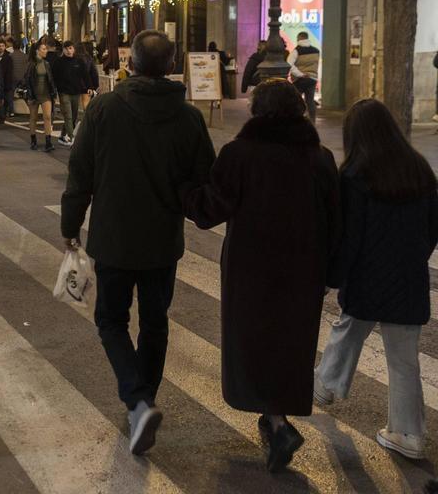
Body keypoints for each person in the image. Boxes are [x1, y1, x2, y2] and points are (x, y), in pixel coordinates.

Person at [61, 30, 215, 456]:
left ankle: (138, 399)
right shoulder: (187, 118)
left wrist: (70, 225)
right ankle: (143, 400)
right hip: (162, 239)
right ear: (170, 66)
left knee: (111, 321)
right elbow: (205, 178)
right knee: (155, 321)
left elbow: (80, 173)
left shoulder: (104, 109)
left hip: (113, 237)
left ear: (130, 63)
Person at [181, 79, 340, 472]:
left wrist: (183, 188)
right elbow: (336, 219)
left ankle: (278, 423)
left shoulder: (240, 154)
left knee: (253, 344)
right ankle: (277, 420)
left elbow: (208, 209)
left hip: (251, 271)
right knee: (291, 346)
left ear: (258, 113)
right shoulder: (319, 157)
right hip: (304, 269)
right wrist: (331, 272)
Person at [314, 98, 438, 461]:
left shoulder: (354, 175)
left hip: (367, 276)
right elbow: (433, 227)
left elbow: (348, 237)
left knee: (349, 327)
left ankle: (325, 384)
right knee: (404, 360)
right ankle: (407, 433)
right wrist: (414, 257)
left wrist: (332, 277)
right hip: (407, 279)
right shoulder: (419, 169)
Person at [24, 40, 58, 152]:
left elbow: (51, 79)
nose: (46, 51)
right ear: (37, 51)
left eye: (46, 49)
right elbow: (27, 81)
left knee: (47, 117)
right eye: (44, 49)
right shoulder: (31, 64)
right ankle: (33, 140)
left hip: (46, 94)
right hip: (34, 94)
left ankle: (48, 142)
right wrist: (30, 95)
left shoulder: (46, 64)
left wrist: (53, 92)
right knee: (33, 117)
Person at [52, 41, 88, 146]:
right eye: (66, 48)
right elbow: (54, 77)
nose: (68, 50)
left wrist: (89, 87)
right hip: (64, 92)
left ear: (74, 49)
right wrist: (55, 90)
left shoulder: (79, 62)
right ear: (63, 50)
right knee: (68, 115)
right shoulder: (58, 62)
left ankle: (63, 135)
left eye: (71, 48)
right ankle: (71, 137)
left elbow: (85, 75)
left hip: (76, 92)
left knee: (74, 116)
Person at [288, 32, 320, 123]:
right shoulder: (316, 51)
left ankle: (296, 120)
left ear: (299, 39)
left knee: (295, 100)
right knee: (310, 101)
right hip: (312, 79)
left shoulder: (296, 50)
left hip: (300, 79)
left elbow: (289, 64)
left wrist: (299, 74)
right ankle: (312, 122)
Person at [0, 38, 15, 124]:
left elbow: (10, 71)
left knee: (6, 100)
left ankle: (4, 113)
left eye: (2, 46)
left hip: (7, 82)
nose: (1, 48)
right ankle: (1, 117)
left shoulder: (8, 57)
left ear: (5, 47)